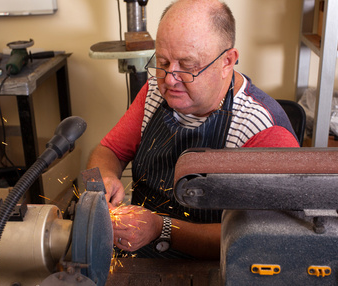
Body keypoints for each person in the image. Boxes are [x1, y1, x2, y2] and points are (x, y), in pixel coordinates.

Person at [87, 0, 299, 260]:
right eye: (163, 61)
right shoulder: (154, 92)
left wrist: (160, 228)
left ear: (227, 62)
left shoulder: (263, 130)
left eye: (187, 66)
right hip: (138, 246)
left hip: (213, 266)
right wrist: (105, 179)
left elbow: (259, 238)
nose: (169, 79)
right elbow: (109, 150)